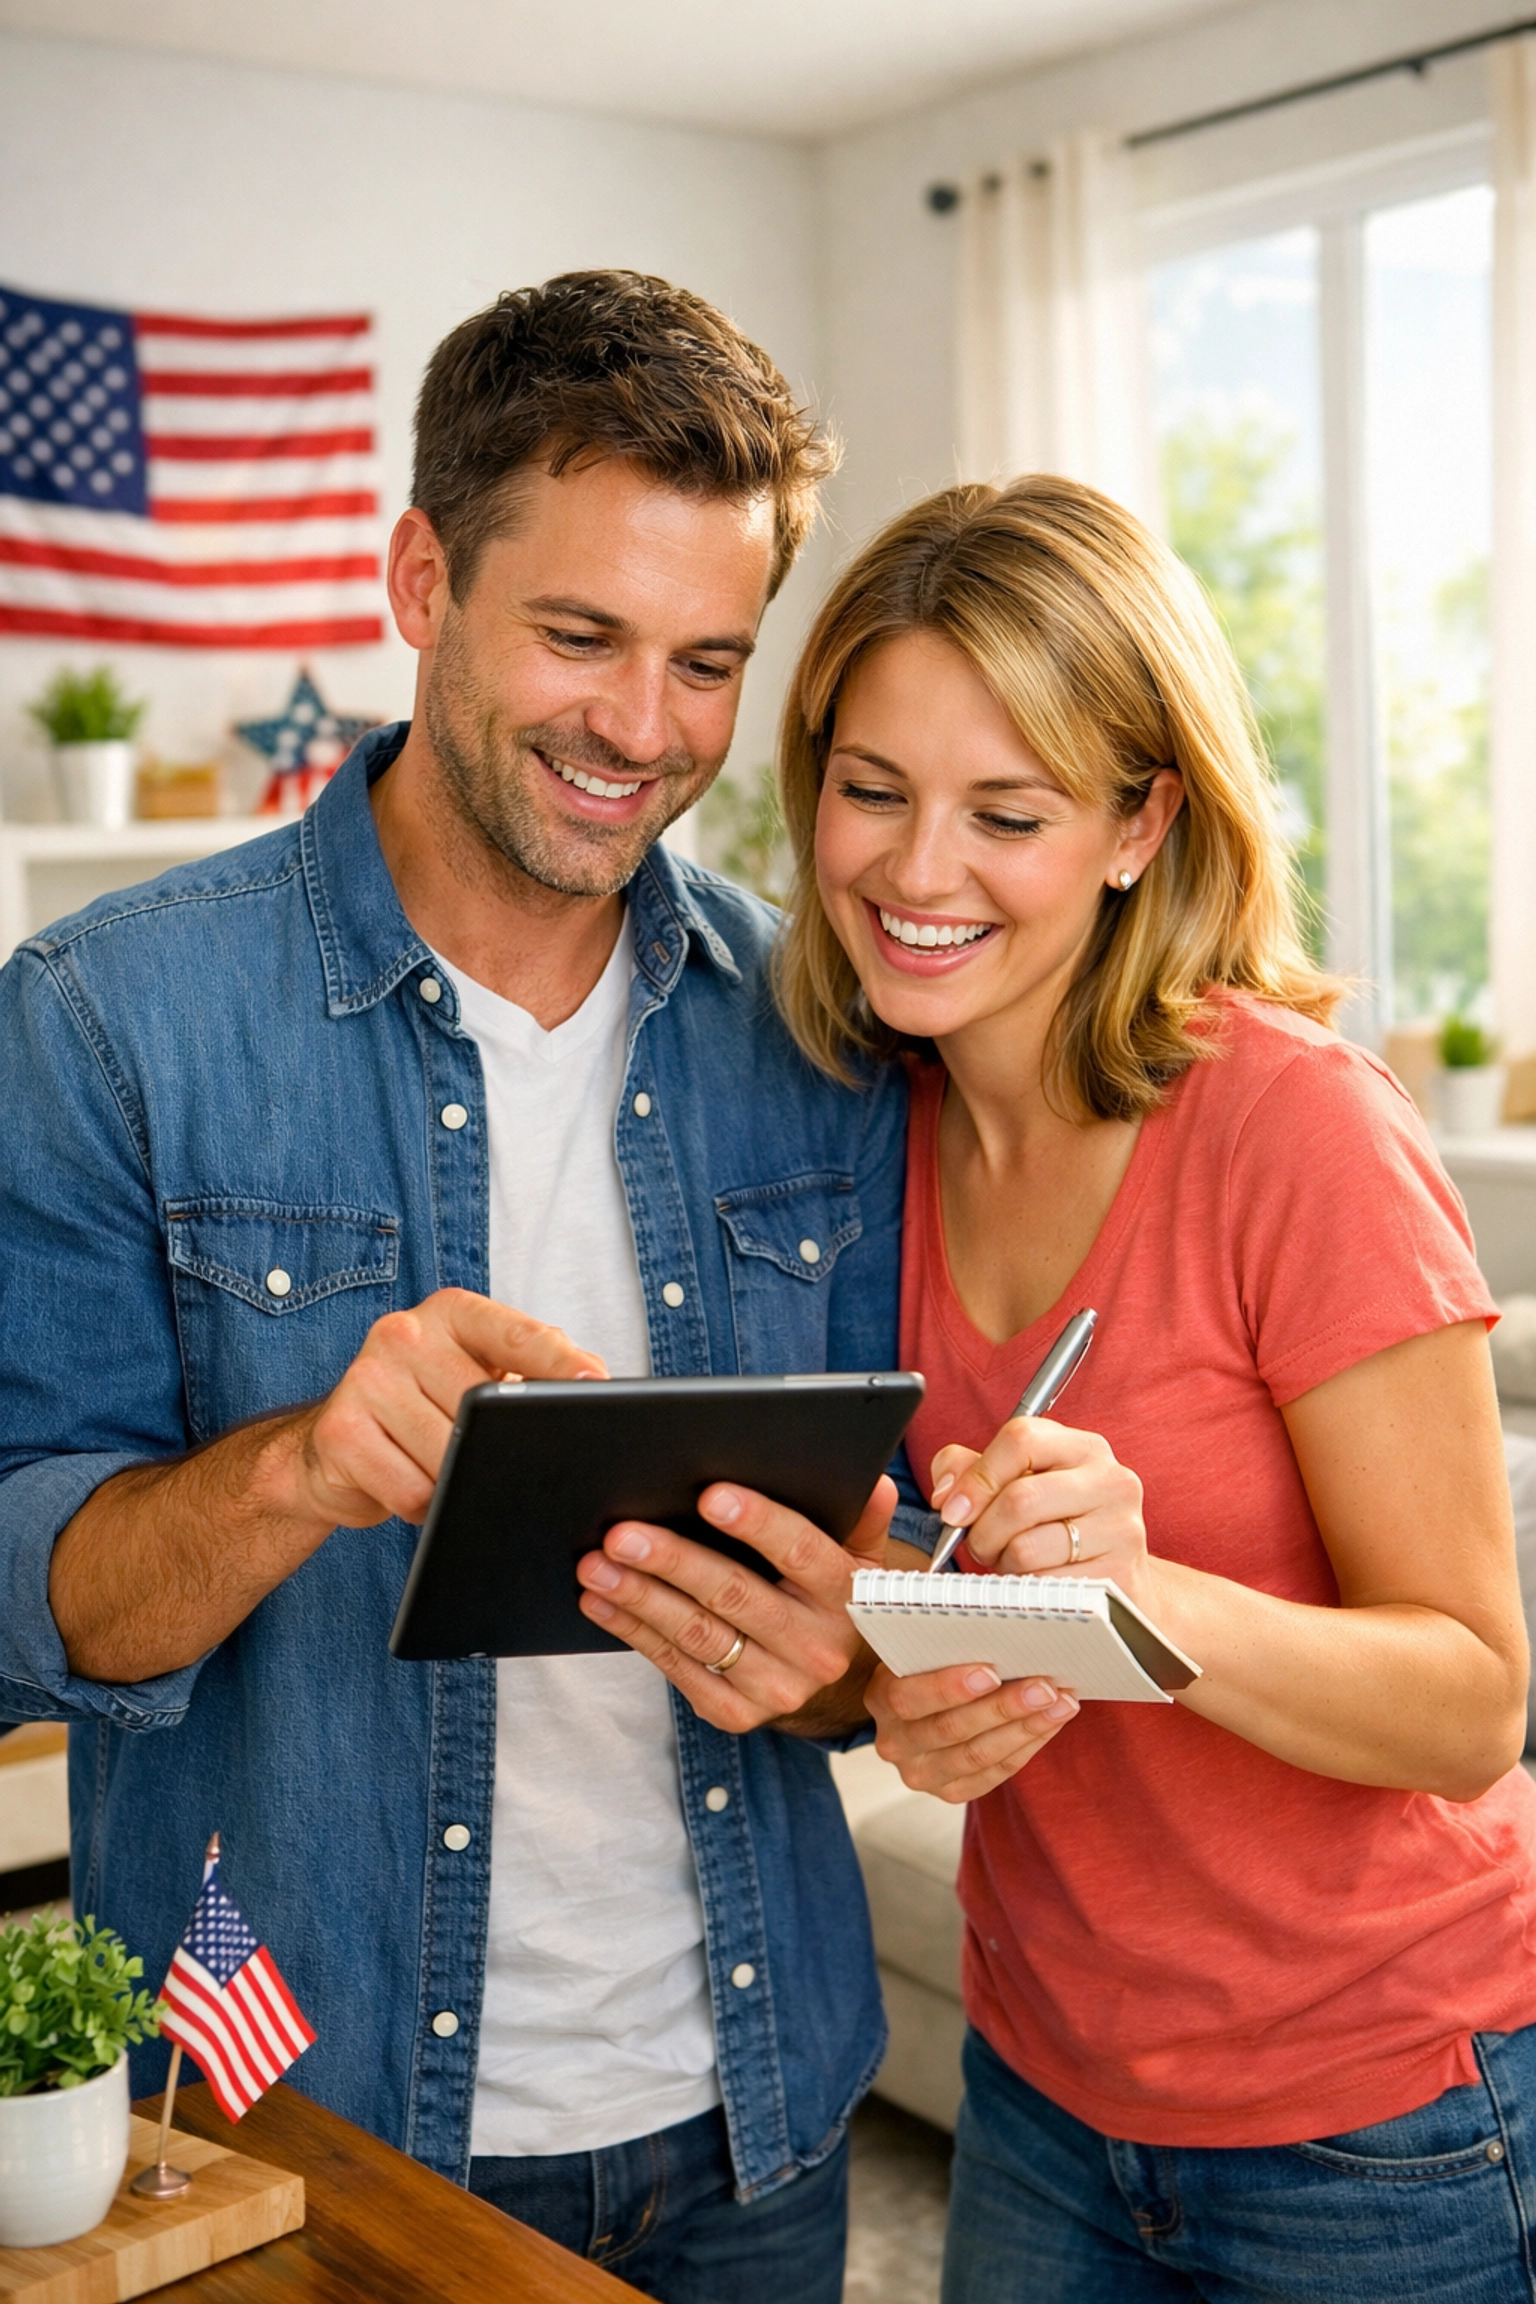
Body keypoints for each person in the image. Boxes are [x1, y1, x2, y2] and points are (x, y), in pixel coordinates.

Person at [0, 272, 929, 2304]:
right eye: (580, 636)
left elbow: (888, 1580)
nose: (644, 731)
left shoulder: (820, 1026)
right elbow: (17, 1606)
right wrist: (298, 1472)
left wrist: (852, 1648)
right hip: (303, 2117)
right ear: (421, 577)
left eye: (708, 661)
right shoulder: (106, 1021)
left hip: (755, 2122)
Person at [770, 473, 1536, 2301]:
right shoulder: (872, 1127)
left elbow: (1473, 1703)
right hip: (1044, 2088)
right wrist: (899, 1693)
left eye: (1006, 813)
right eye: (870, 790)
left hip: (1377, 2124)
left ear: (1139, 827)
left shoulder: (1298, 1131)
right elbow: (924, 1619)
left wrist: (1141, 1599)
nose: (915, 869)